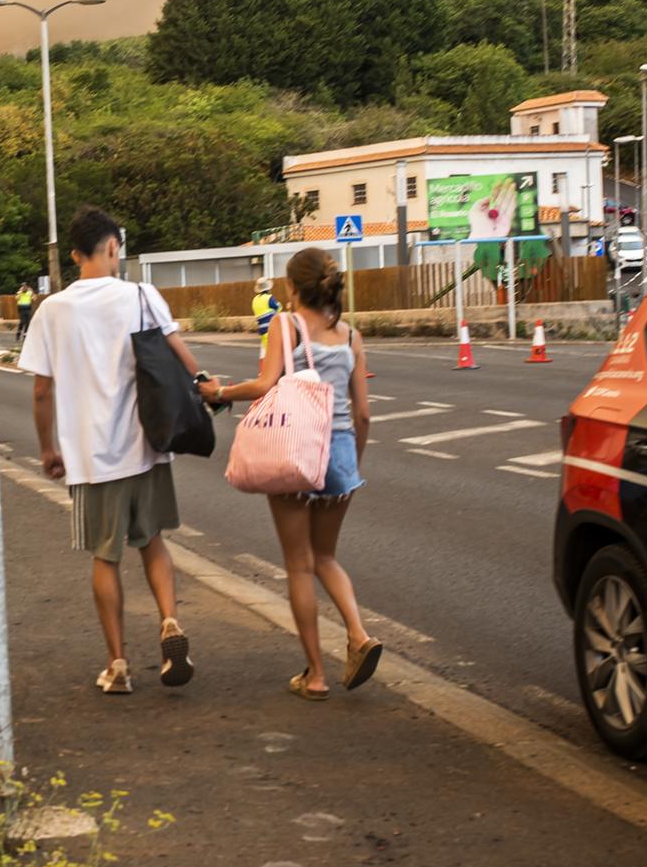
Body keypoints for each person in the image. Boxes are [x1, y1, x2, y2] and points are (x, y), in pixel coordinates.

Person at [21, 207, 206, 695]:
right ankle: (169, 622)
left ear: (75, 254)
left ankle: (118, 664)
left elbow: (42, 391)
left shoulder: (52, 309)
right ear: (112, 247)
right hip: (145, 445)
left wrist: (48, 449)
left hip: (90, 454)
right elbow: (179, 355)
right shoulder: (143, 295)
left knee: (105, 559)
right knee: (153, 543)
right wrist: (208, 386)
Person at [202, 248, 382, 700]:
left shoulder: (286, 324)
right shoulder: (352, 337)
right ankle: (359, 635)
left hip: (296, 448)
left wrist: (219, 391)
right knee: (326, 557)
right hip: (339, 453)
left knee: (299, 565)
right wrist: (352, 464)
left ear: (293, 288)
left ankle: (316, 675)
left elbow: (265, 385)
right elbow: (362, 414)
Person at [251, 277, 279, 360]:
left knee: (265, 351)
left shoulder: (255, 300)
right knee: (273, 353)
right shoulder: (269, 298)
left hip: (262, 330)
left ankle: (263, 370)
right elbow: (278, 307)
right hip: (271, 328)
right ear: (268, 288)